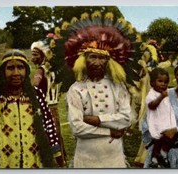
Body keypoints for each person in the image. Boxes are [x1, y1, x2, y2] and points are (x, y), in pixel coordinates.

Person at [49, 11, 142, 168]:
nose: (97, 62)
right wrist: (111, 130)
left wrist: (98, 120)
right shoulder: (75, 89)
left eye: (102, 58)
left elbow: (127, 118)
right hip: (85, 159)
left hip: (114, 158)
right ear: (83, 60)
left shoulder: (118, 87)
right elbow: (77, 127)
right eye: (92, 57)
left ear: (109, 61)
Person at [0, 50, 65, 168]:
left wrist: (57, 155)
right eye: (10, 68)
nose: (16, 72)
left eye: (20, 67)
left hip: (35, 163)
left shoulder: (37, 95)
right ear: (2, 72)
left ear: (26, 70)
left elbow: (48, 124)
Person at [30, 40, 67, 165]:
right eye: (32, 54)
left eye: (35, 54)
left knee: (47, 136)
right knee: (56, 134)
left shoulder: (40, 70)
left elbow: (34, 86)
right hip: (54, 107)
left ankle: (53, 162)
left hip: (45, 108)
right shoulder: (52, 69)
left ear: (42, 55)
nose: (33, 57)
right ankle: (61, 160)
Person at [145, 67, 176, 168]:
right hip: (157, 120)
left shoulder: (167, 91)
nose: (164, 84)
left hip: (167, 119)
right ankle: (154, 158)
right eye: (160, 81)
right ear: (152, 83)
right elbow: (152, 106)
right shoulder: (151, 94)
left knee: (171, 136)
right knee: (158, 139)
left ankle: (163, 153)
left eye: (166, 82)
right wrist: (161, 97)